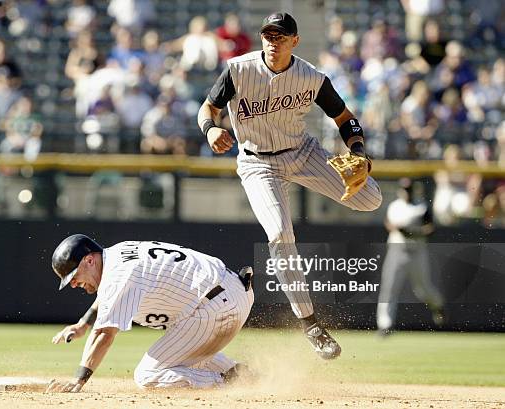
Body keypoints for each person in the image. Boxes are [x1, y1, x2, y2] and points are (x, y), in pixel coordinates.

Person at [197, 12, 383, 359]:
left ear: (294, 41)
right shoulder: (239, 70)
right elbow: (208, 108)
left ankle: (311, 323)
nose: (273, 40)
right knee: (281, 235)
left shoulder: (310, 77)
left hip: (302, 152)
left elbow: (345, 118)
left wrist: (358, 151)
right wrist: (211, 129)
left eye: (280, 35)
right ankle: (311, 325)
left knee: (371, 198)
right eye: (268, 34)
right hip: (257, 163)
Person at [47, 234, 254, 391]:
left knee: (148, 375)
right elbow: (109, 297)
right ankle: (241, 373)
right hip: (227, 294)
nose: (73, 284)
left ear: (89, 260)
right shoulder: (118, 254)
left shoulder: (118, 276)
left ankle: (231, 382)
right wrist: (83, 323)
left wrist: (79, 379)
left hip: (215, 306)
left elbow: (104, 334)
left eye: (73, 276)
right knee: (181, 361)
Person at [376, 178, 445, 336]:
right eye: (404, 189)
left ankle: (437, 305)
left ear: (414, 190)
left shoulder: (421, 207)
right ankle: (384, 325)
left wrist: (413, 232)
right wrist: (397, 229)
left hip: (416, 251)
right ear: (400, 191)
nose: (406, 192)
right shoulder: (395, 206)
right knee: (389, 288)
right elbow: (388, 223)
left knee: (423, 289)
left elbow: (431, 228)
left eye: (409, 189)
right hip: (396, 250)